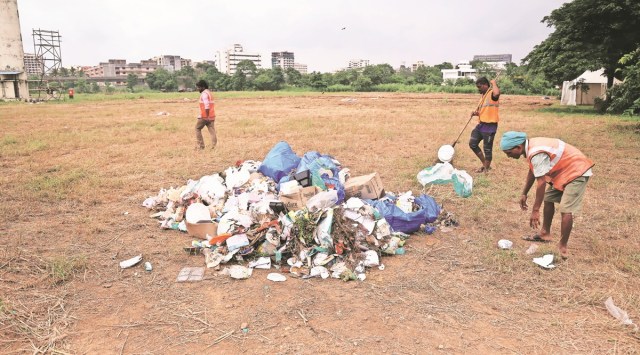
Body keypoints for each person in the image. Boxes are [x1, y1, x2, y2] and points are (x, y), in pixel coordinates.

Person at [500, 131, 594, 258]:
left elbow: (541, 182)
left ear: (518, 147)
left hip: (576, 171)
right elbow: (533, 170)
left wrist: (535, 210)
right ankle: (545, 233)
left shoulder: (535, 152)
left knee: (566, 209)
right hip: (564, 171)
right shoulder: (530, 148)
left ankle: (563, 247)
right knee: (548, 198)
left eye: (509, 153)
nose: (508, 156)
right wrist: (524, 193)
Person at [469, 77, 500, 173]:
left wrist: (494, 83)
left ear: (486, 85)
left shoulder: (491, 93)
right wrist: (476, 113)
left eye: (480, 86)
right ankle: (484, 164)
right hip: (481, 124)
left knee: (487, 149)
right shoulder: (483, 95)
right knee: (472, 144)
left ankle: (486, 169)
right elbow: (484, 110)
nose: (478, 89)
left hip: (490, 126)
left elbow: (497, 93)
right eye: (477, 87)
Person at [194, 80, 217, 150]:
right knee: (212, 131)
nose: (197, 89)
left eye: (198, 87)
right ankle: (213, 146)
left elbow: (206, 105)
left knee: (197, 128)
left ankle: (201, 146)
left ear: (203, 87)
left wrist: (206, 116)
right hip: (212, 116)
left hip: (204, 116)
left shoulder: (204, 94)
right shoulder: (209, 93)